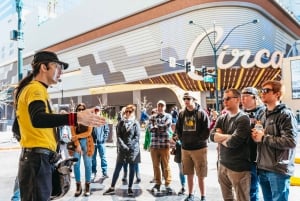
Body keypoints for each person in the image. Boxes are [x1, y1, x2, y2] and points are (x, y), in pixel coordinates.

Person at [14, 50, 105, 201]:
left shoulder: (35, 89)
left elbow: (17, 128)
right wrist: (75, 117)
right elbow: (38, 119)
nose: (60, 72)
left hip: (37, 159)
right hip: (37, 160)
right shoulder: (35, 88)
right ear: (44, 67)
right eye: (57, 66)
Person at [252, 80, 299, 201]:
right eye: (261, 90)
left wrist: (263, 138)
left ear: (277, 94)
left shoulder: (286, 114)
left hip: (278, 170)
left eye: (266, 90)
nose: (262, 93)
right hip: (262, 167)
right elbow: (260, 135)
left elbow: (290, 141)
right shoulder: (262, 113)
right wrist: (256, 137)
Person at [210, 88, 251, 201]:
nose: (224, 101)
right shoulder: (222, 118)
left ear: (237, 100)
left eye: (228, 98)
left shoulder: (243, 118)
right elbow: (211, 137)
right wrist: (229, 136)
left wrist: (221, 137)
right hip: (222, 164)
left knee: (242, 198)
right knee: (227, 198)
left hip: (238, 167)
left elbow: (234, 142)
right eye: (223, 99)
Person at [174, 92, 210, 201]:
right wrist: (182, 140)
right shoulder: (181, 114)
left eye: (188, 98)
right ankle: (190, 195)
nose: (186, 100)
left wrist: (198, 140)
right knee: (189, 173)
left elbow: (207, 130)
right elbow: (178, 129)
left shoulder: (201, 113)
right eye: (184, 98)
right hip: (185, 149)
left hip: (199, 149)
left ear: (193, 99)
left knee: (201, 174)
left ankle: (203, 196)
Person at [103, 104, 141, 196]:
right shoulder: (121, 123)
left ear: (132, 113)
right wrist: (123, 146)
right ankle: (112, 187)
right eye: (126, 111)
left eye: (130, 112)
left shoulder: (136, 123)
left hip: (133, 150)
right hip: (122, 149)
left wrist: (130, 146)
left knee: (132, 169)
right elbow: (118, 136)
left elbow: (137, 137)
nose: (127, 113)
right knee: (117, 168)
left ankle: (130, 188)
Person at [241, 87, 265, 201]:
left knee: (261, 189)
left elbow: (259, 132)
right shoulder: (241, 113)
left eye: (246, 97)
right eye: (242, 97)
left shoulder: (263, 112)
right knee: (249, 190)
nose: (243, 99)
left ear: (255, 98)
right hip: (245, 157)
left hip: (259, 158)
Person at [148, 100, 173, 194]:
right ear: (157, 106)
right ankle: (157, 183)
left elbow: (166, 126)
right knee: (155, 166)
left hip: (164, 145)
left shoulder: (168, 116)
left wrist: (156, 126)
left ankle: (167, 183)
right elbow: (150, 129)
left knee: (166, 165)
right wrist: (158, 127)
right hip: (154, 145)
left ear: (165, 107)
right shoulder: (152, 117)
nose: (160, 108)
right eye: (159, 106)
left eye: (162, 106)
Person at [71, 103, 95, 197]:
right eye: (79, 109)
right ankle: (78, 186)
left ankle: (87, 186)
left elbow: (89, 132)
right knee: (76, 165)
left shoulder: (89, 119)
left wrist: (77, 136)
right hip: (77, 143)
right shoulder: (73, 120)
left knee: (88, 165)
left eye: (82, 109)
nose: (80, 111)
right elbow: (72, 133)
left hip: (87, 143)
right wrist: (77, 144)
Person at [92, 106, 109, 181]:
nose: (96, 112)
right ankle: (93, 172)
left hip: (101, 142)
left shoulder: (103, 120)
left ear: (100, 111)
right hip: (93, 143)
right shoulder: (91, 121)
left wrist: (104, 139)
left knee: (103, 158)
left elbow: (107, 130)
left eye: (97, 111)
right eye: (95, 111)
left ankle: (104, 172)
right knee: (93, 159)